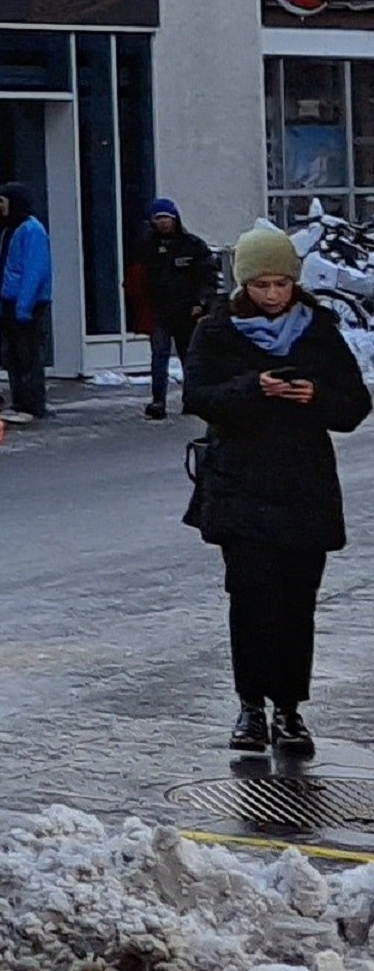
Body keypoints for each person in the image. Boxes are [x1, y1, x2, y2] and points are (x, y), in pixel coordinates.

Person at [185, 224, 368, 756]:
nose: (271, 295)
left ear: (294, 282)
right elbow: (198, 395)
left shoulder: (318, 331)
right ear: (244, 285)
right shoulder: (217, 331)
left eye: (280, 284)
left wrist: (314, 395)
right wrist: (253, 387)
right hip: (239, 484)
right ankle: (250, 708)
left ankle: (289, 709)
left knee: (296, 602)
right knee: (250, 598)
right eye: (261, 285)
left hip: (303, 486)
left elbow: (354, 405)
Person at [136, 200, 222, 421]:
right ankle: (158, 402)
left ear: (175, 219)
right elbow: (137, 279)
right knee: (159, 355)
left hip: (188, 312)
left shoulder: (192, 246)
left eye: (167, 218)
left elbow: (208, 276)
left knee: (190, 357)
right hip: (160, 311)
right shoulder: (147, 248)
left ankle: (191, 399)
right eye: (158, 218)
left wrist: (202, 302)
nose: (163, 222)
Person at [0, 184, 52, 421]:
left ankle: (32, 404)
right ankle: (20, 401)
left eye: (1, 201)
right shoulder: (11, 229)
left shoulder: (31, 229)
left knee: (28, 355)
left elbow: (34, 271)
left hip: (26, 304)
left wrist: (24, 307)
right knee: (14, 356)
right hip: (11, 301)